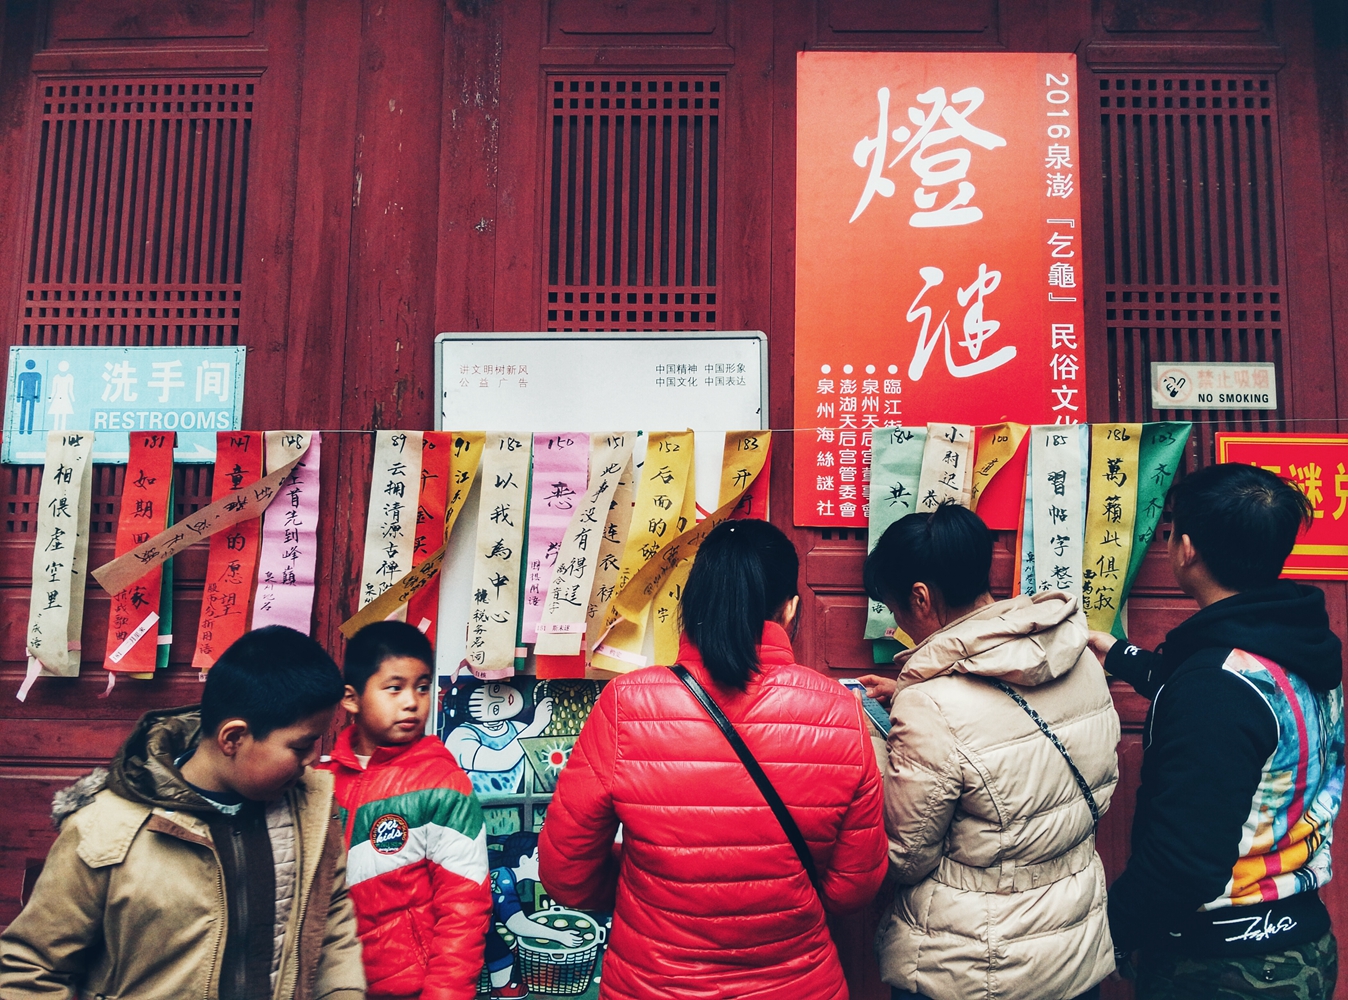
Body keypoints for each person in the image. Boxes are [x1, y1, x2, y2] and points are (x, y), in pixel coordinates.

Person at [539, 518, 888, 1000]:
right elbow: (853, 887)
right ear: (790, 609)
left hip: (653, 984)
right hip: (797, 984)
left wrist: (656, 888)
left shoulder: (626, 705)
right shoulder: (840, 712)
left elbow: (566, 872)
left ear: (694, 603)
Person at [0, 625, 366, 1000]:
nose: (311, 760)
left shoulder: (310, 809)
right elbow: (32, 969)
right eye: (301, 746)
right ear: (234, 738)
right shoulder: (105, 828)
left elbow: (331, 921)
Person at [1088, 464, 1344, 999]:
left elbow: (1182, 865)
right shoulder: (1295, 645)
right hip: (1301, 938)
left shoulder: (1216, 687)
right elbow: (1223, 696)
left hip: (1227, 969)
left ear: (1186, 549)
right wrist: (1120, 655)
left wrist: (1107, 939)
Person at [857, 503, 1120, 1000]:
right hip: (1075, 949)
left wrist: (871, 738)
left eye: (894, 609)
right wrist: (913, 703)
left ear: (920, 597)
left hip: (975, 966)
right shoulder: (1078, 657)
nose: (899, 625)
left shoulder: (931, 705)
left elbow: (906, 856)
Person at [321, 621, 492, 1000]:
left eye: (422, 687)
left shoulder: (443, 785)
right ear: (351, 699)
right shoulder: (321, 781)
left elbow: (464, 908)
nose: (412, 702)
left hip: (410, 989)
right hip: (329, 984)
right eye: (394, 688)